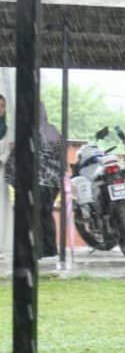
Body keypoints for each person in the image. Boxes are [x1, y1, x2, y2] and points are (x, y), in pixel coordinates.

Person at [4, 101, 61, 258]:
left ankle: (39, 251)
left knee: (34, 215)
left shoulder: (28, 130)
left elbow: (21, 155)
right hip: (53, 181)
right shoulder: (52, 129)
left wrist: (11, 176)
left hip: (37, 180)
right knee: (46, 214)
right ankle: (50, 249)